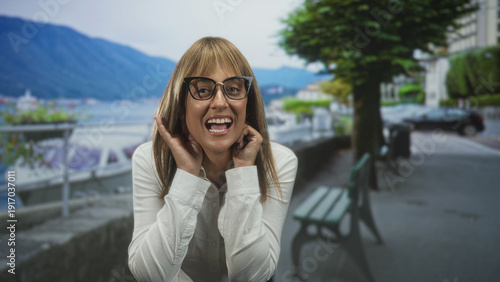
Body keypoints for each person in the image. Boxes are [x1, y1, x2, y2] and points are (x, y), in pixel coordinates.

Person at [128, 37, 298, 282]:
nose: (220, 102)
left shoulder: (280, 162)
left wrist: (243, 172)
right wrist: (186, 173)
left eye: (233, 89)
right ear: (181, 103)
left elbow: (254, 275)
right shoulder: (149, 160)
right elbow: (149, 274)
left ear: (248, 103)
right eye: (203, 90)